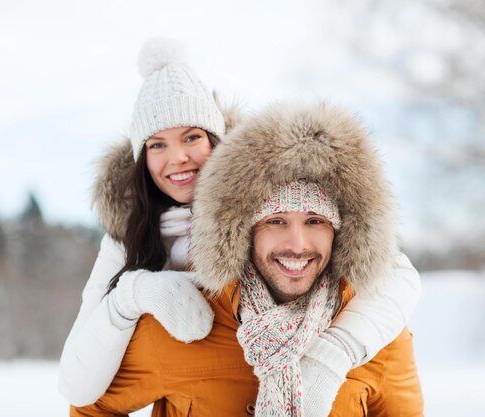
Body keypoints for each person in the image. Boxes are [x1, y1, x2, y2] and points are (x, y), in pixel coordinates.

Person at [59, 39, 421, 416]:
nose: (179, 157)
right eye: (157, 145)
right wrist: (133, 293)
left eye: (193, 137)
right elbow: (80, 388)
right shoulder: (128, 238)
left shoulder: (270, 179)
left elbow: (396, 274)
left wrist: (332, 354)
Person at [189, 102, 424, 416]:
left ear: (340, 233)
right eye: (275, 222)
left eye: (315, 221)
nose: (297, 245)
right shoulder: (192, 325)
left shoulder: (379, 336)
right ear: (245, 233)